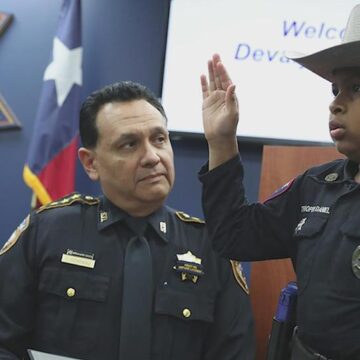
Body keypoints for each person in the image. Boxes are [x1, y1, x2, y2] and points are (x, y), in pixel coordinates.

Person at [0, 81, 255, 360]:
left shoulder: (212, 248)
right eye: (129, 144)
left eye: (159, 139)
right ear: (90, 163)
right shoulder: (47, 231)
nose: (151, 157)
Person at [198, 4, 360, 360]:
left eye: (356, 89)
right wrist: (222, 142)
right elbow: (233, 234)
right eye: (335, 89)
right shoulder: (318, 185)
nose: (336, 104)